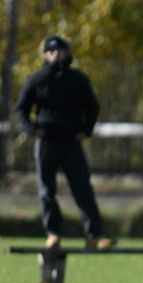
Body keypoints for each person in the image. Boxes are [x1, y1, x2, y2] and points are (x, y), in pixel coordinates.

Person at [15, 35, 113, 251]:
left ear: (68, 52)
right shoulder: (36, 79)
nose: (56, 55)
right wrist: (33, 130)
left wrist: (85, 131)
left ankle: (94, 235)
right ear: (44, 54)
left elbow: (92, 107)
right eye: (51, 51)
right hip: (47, 142)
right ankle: (53, 233)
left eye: (60, 50)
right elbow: (22, 110)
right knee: (47, 191)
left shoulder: (77, 80)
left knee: (82, 189)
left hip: (71, 142)